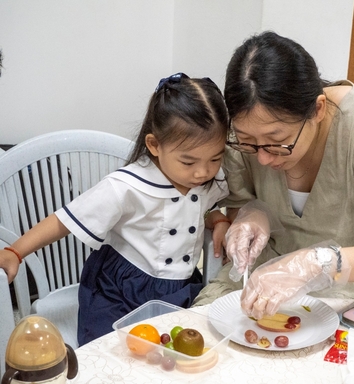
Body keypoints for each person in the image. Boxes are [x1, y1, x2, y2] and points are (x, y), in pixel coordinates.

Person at [193, 31, 354, 319]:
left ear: (317, 109)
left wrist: (318, 263)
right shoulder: (245, 130)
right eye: (248, 143)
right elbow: (239, 203)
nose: (263, 157)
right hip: (264, 279)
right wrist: (251, 214)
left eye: (277, 141)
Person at [0, 72, 231, 345]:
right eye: (188, 162)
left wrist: (216, 218)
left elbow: (195, 211)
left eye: (215, 158)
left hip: (178, 287)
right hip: (119, 288)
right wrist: (16, 251)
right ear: (155, 146)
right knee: (111, 351)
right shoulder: (126, 186)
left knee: (172, 351)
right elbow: (65, 221)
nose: (202, 172)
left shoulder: (209, 180)